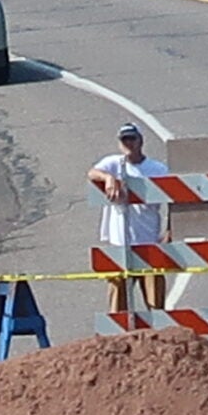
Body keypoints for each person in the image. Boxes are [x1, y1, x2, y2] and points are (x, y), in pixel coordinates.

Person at [87, 122, 171, 317]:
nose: (128, 143)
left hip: (148, 241)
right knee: (118, 305)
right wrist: (108, 178)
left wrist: (169, 230)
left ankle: (156, 341)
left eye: (132, 138)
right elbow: (91, 173)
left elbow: (175, 200)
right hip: (119, 243)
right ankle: (118, 341)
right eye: (124, 139)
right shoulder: (112, 164)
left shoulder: (157, 169)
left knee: (156, 306)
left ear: (140, 141)